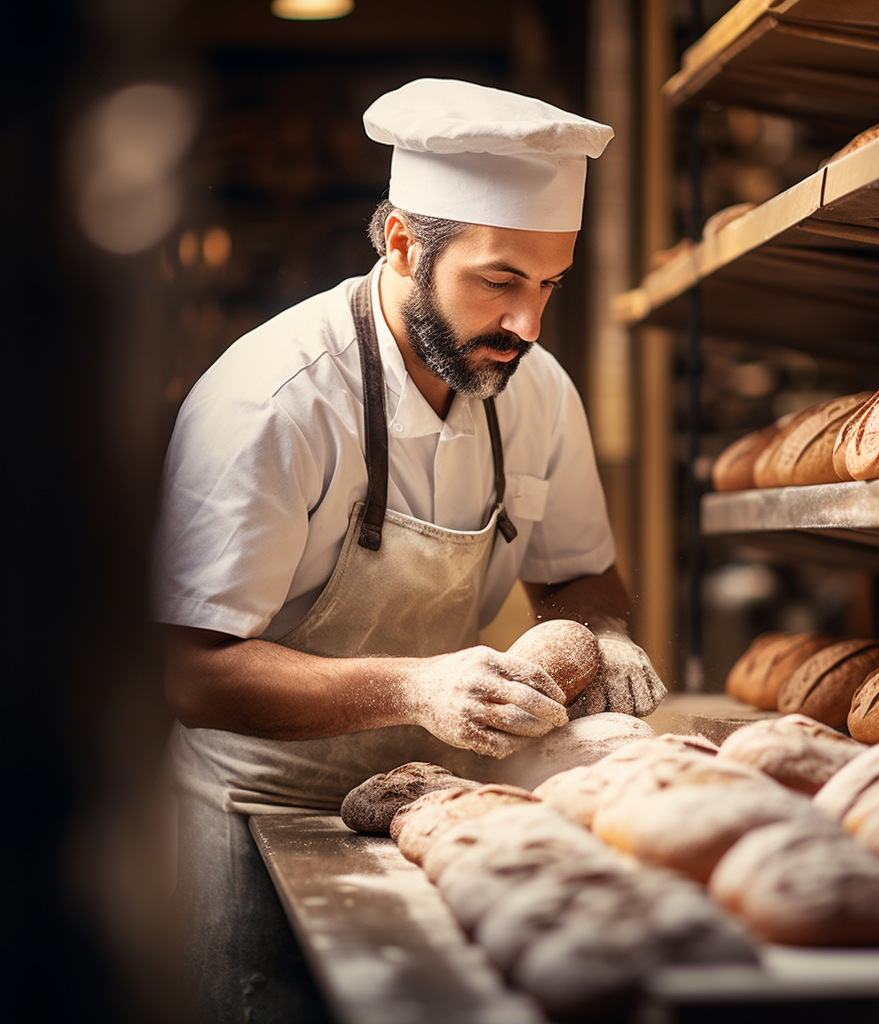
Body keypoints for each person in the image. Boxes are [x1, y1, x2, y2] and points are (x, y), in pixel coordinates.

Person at [152, 78, 665, 1023]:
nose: (529, 326)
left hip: (433, 817)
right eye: (501, 279)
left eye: (551, 284)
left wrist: (603, 631)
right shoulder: (275, 400)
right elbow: (188, 671)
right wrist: (416, 688)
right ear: (400, 244)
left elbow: (580, 573)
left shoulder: (537, 388)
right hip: (259, 818)